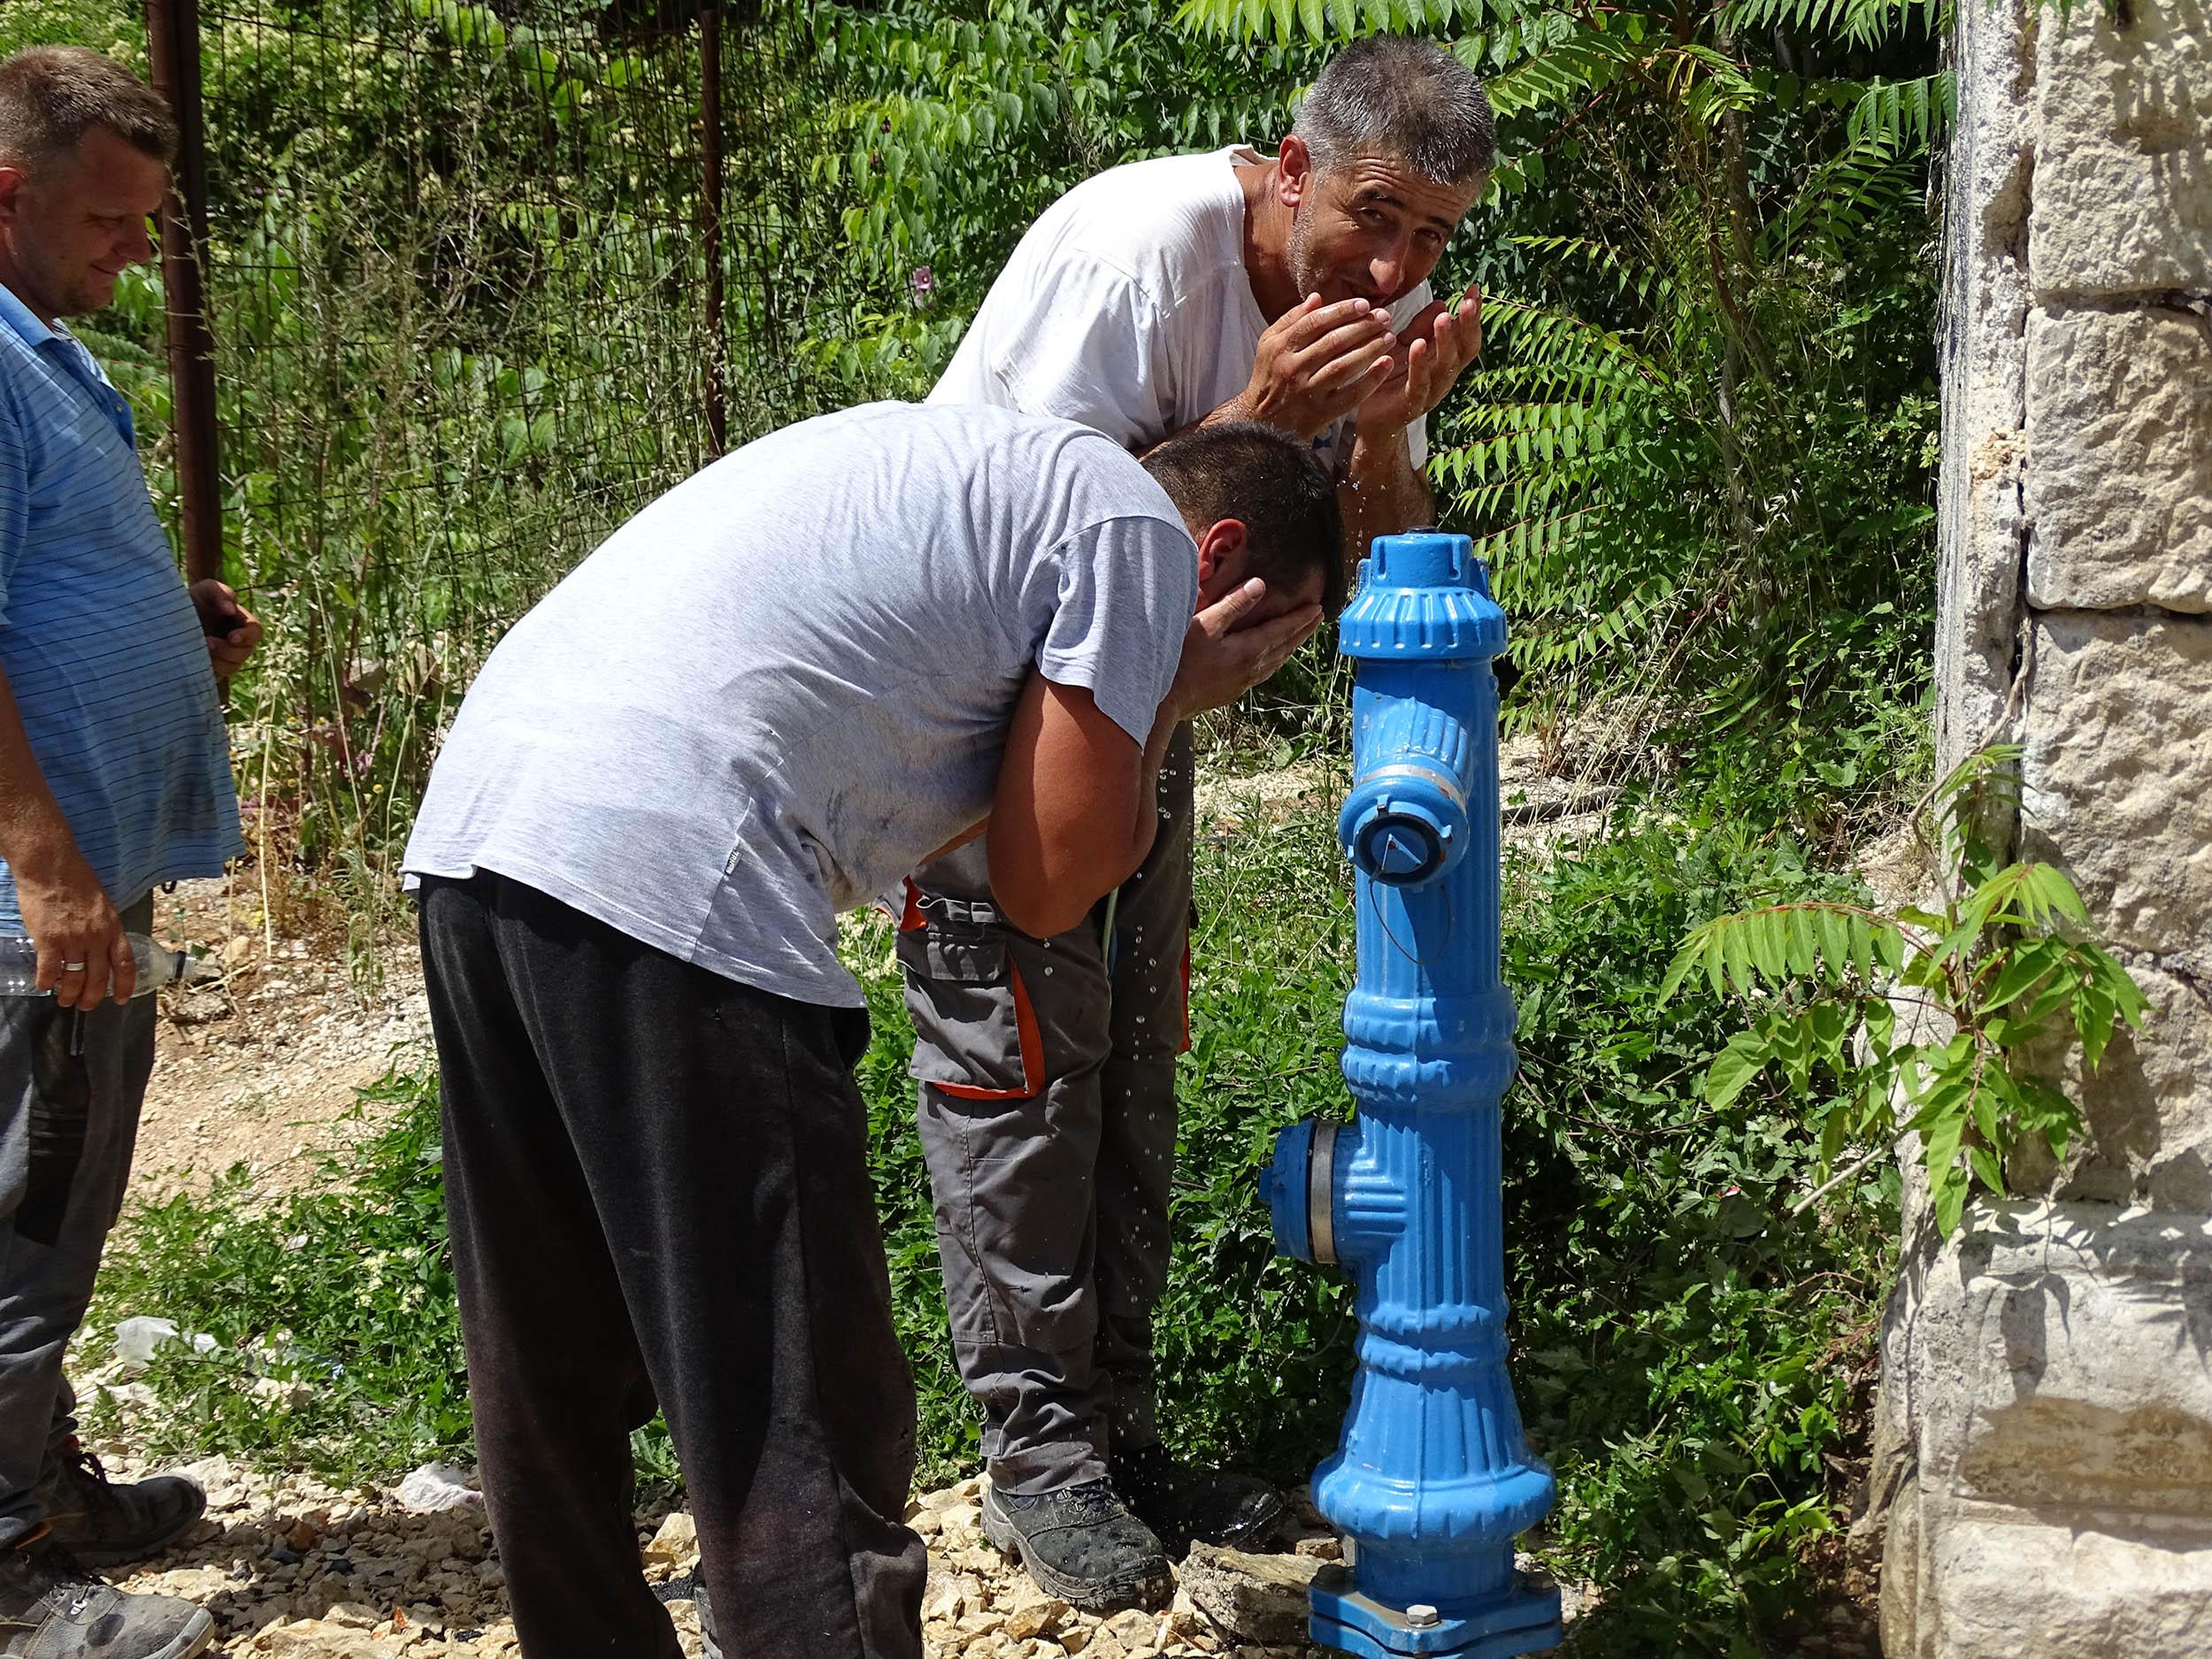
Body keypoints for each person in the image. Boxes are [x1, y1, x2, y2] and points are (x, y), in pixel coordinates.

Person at [401, 401, 1344, 1659]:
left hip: (484, 830)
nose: (1256, 679)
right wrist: (1169, 697)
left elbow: (974, 817)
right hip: (679, 868)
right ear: (1221, 558)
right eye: (1276, 641)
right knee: (800, 1407)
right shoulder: (1135, 534)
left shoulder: (985, 480)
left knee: (552, 1348)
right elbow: (1047, 885)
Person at [910, 35, 1496, 1606]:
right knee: (1016, 1067)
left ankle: (1119, 1430)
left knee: (1129, 1073)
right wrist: (1251, 405)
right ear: (1291, 165)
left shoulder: (1373, 313)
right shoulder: (1136, 251)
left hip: (1151, 717)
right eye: (1374, 216)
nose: (1393, 265)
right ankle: (1034, 1459)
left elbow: (1387, 580)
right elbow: (1014, 523)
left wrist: (1375, 435)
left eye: (1434, 239)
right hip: (988, 720)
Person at [0, 44, 262, 1659]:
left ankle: (42, 1476)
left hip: (80, 877)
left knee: (59, 1191)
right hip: (40, 899)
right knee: (29, 1205)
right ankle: (11, 1572)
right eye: (108, 219)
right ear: (6, 192)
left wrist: (163, 642)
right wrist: (46, 874)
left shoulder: (39, 351)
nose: (135, 255)